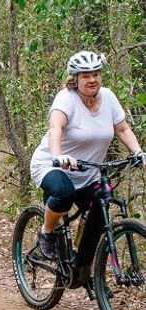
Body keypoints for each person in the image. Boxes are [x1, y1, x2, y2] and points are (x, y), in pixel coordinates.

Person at [30, 50, 145, 285]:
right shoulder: (66, 98)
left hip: (88, 171)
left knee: (102, 204)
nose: (92, 79)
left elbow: (122, 129)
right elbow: (56, 129)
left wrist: (138, 152)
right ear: (76, 79)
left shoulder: (109, 97)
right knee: (63, 192)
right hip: (52, 165)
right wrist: (58, 155)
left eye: (96, 74)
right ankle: (46, 231)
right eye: (86, 76)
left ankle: (84, 265)